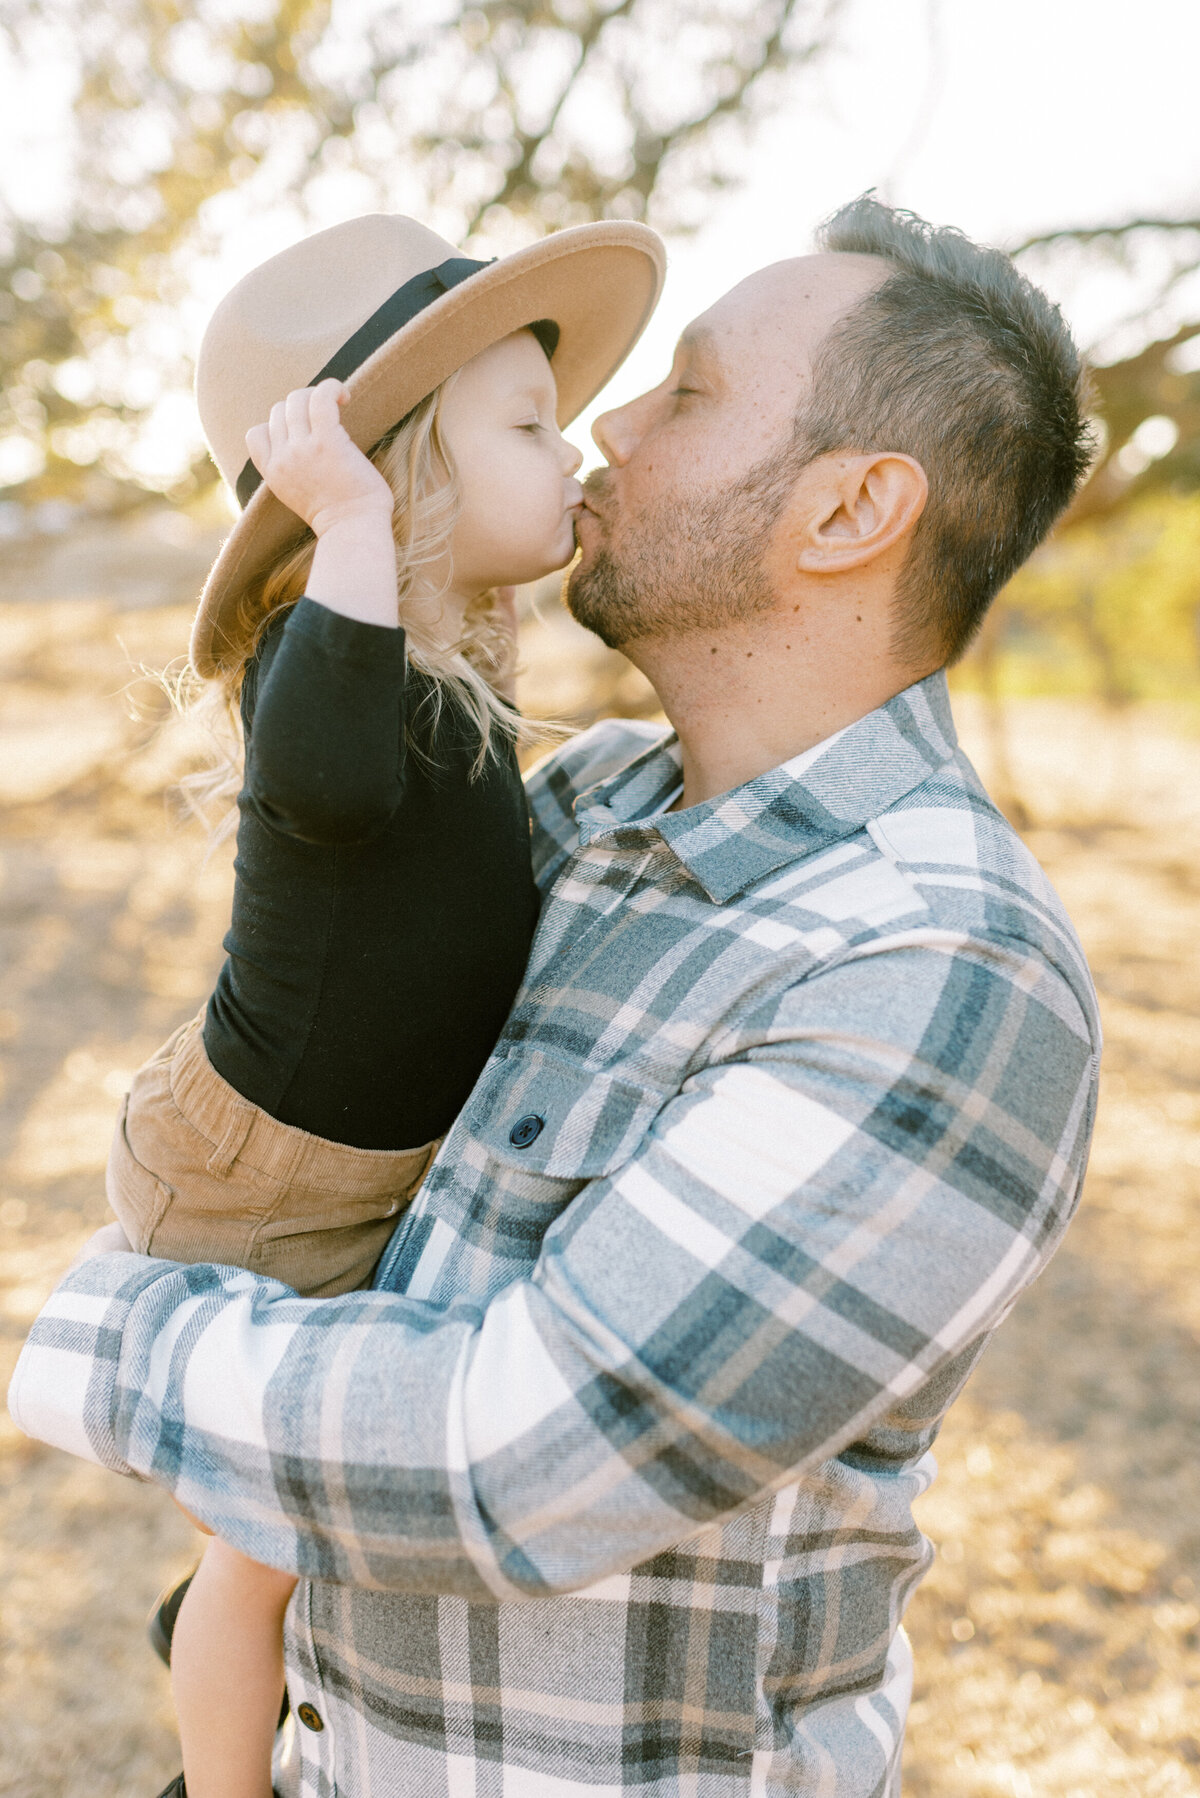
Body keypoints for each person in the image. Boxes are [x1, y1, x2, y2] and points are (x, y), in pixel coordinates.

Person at [10, 197, 1101, 1798]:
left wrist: (76, 1326)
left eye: (693, 393)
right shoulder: (586, 808)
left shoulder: (940, 965)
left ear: (853, 507)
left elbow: (506, 1460)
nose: (610, 422)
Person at [35, 210, 664, 1798]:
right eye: (528, 425)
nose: (572, 440)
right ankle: (219, 1782)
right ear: (381, 477)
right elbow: (315, 782)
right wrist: (354, 537)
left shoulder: (448, 661)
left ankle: (243, 1648)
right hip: (254, 1176)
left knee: (304, 1534)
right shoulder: (326, 673)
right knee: (258, 1555)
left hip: (359, 1172)